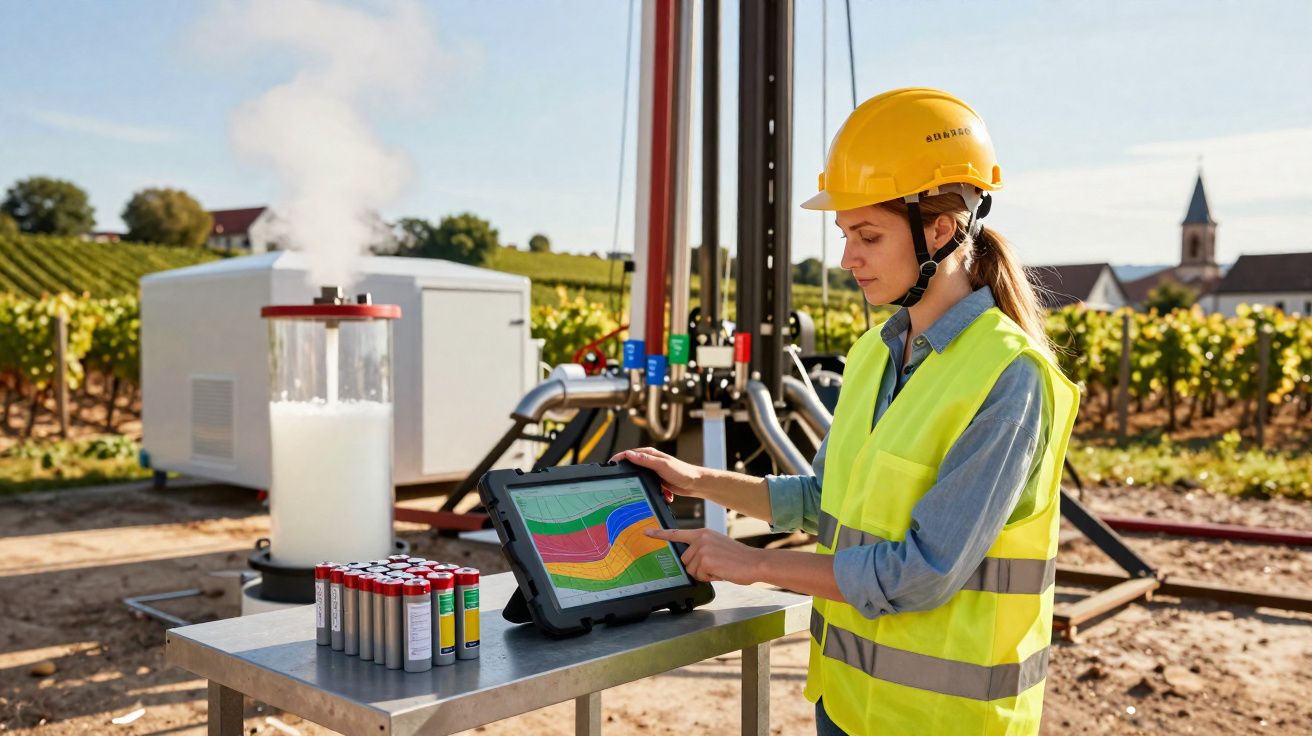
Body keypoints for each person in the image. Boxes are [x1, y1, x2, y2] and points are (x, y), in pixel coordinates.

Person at [614, 88, 1079, 735]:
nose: (846, 258)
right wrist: (700, 481)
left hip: (946, 722)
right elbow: (829, 499)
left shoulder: (1010, 378)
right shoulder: (874, 354)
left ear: (941, 230)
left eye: (868, 235)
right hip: (848, 705)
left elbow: (922, 574)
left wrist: (753, 564)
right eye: (844, 234)